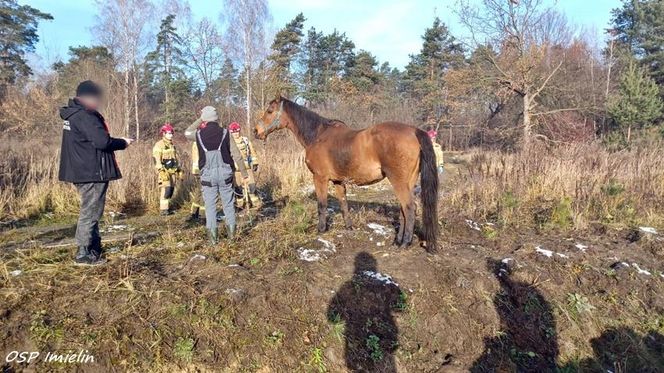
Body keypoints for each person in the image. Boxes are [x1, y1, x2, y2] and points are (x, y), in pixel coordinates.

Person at [58, 80, 133, 265]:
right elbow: (102, 142)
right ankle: (83, 253)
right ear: (87, 97)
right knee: (91, 211)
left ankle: (94, 247)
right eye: (96, 98)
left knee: (92, 210)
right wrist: (123, 142)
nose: (98, 102)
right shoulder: (85, 116)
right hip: (91, 172)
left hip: (82, 171)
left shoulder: (73, 115)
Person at [185, 106, 250, 243]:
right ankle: (232, 239)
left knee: (210, 207)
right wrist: (244, 174)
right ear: (216, 118)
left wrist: (200, 119)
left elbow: (187, 132)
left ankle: (213, 241)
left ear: (205, 118)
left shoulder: (198, 134)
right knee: (228, 205)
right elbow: (237, 155)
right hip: (226, 174)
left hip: (207, 175)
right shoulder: (226, 133)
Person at [228, 122, 261, 209]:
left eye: (237, 132)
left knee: (252, 187)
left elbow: (252, 152)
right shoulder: (228, 143)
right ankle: (240, 206)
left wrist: (255, 162)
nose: (235, 134)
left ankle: (256, 204)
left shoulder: (246, 141)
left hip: (247, 168)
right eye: (233, 132)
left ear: (239, 131)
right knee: (238, 189)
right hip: (235, 170)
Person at [153, 123, 182, 216]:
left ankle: (167, 208)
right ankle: (163, 210)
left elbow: (175, 158)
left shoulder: (171, 145)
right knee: (166, 190)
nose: (171, 135)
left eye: (172, 133)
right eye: (169, 133)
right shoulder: (159, 145)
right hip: (164, 171)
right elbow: (156, 159)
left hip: (172, 171)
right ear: (164, 133)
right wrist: (160, 171)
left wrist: (179, 169)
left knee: (171, 190)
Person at [187, 141, 204, 222]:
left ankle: (194, 212)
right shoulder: (201, 141)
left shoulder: (196, 142)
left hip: (198, 170)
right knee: (205, 191)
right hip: (203, 170)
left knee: (199, 191)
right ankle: (203, 215)